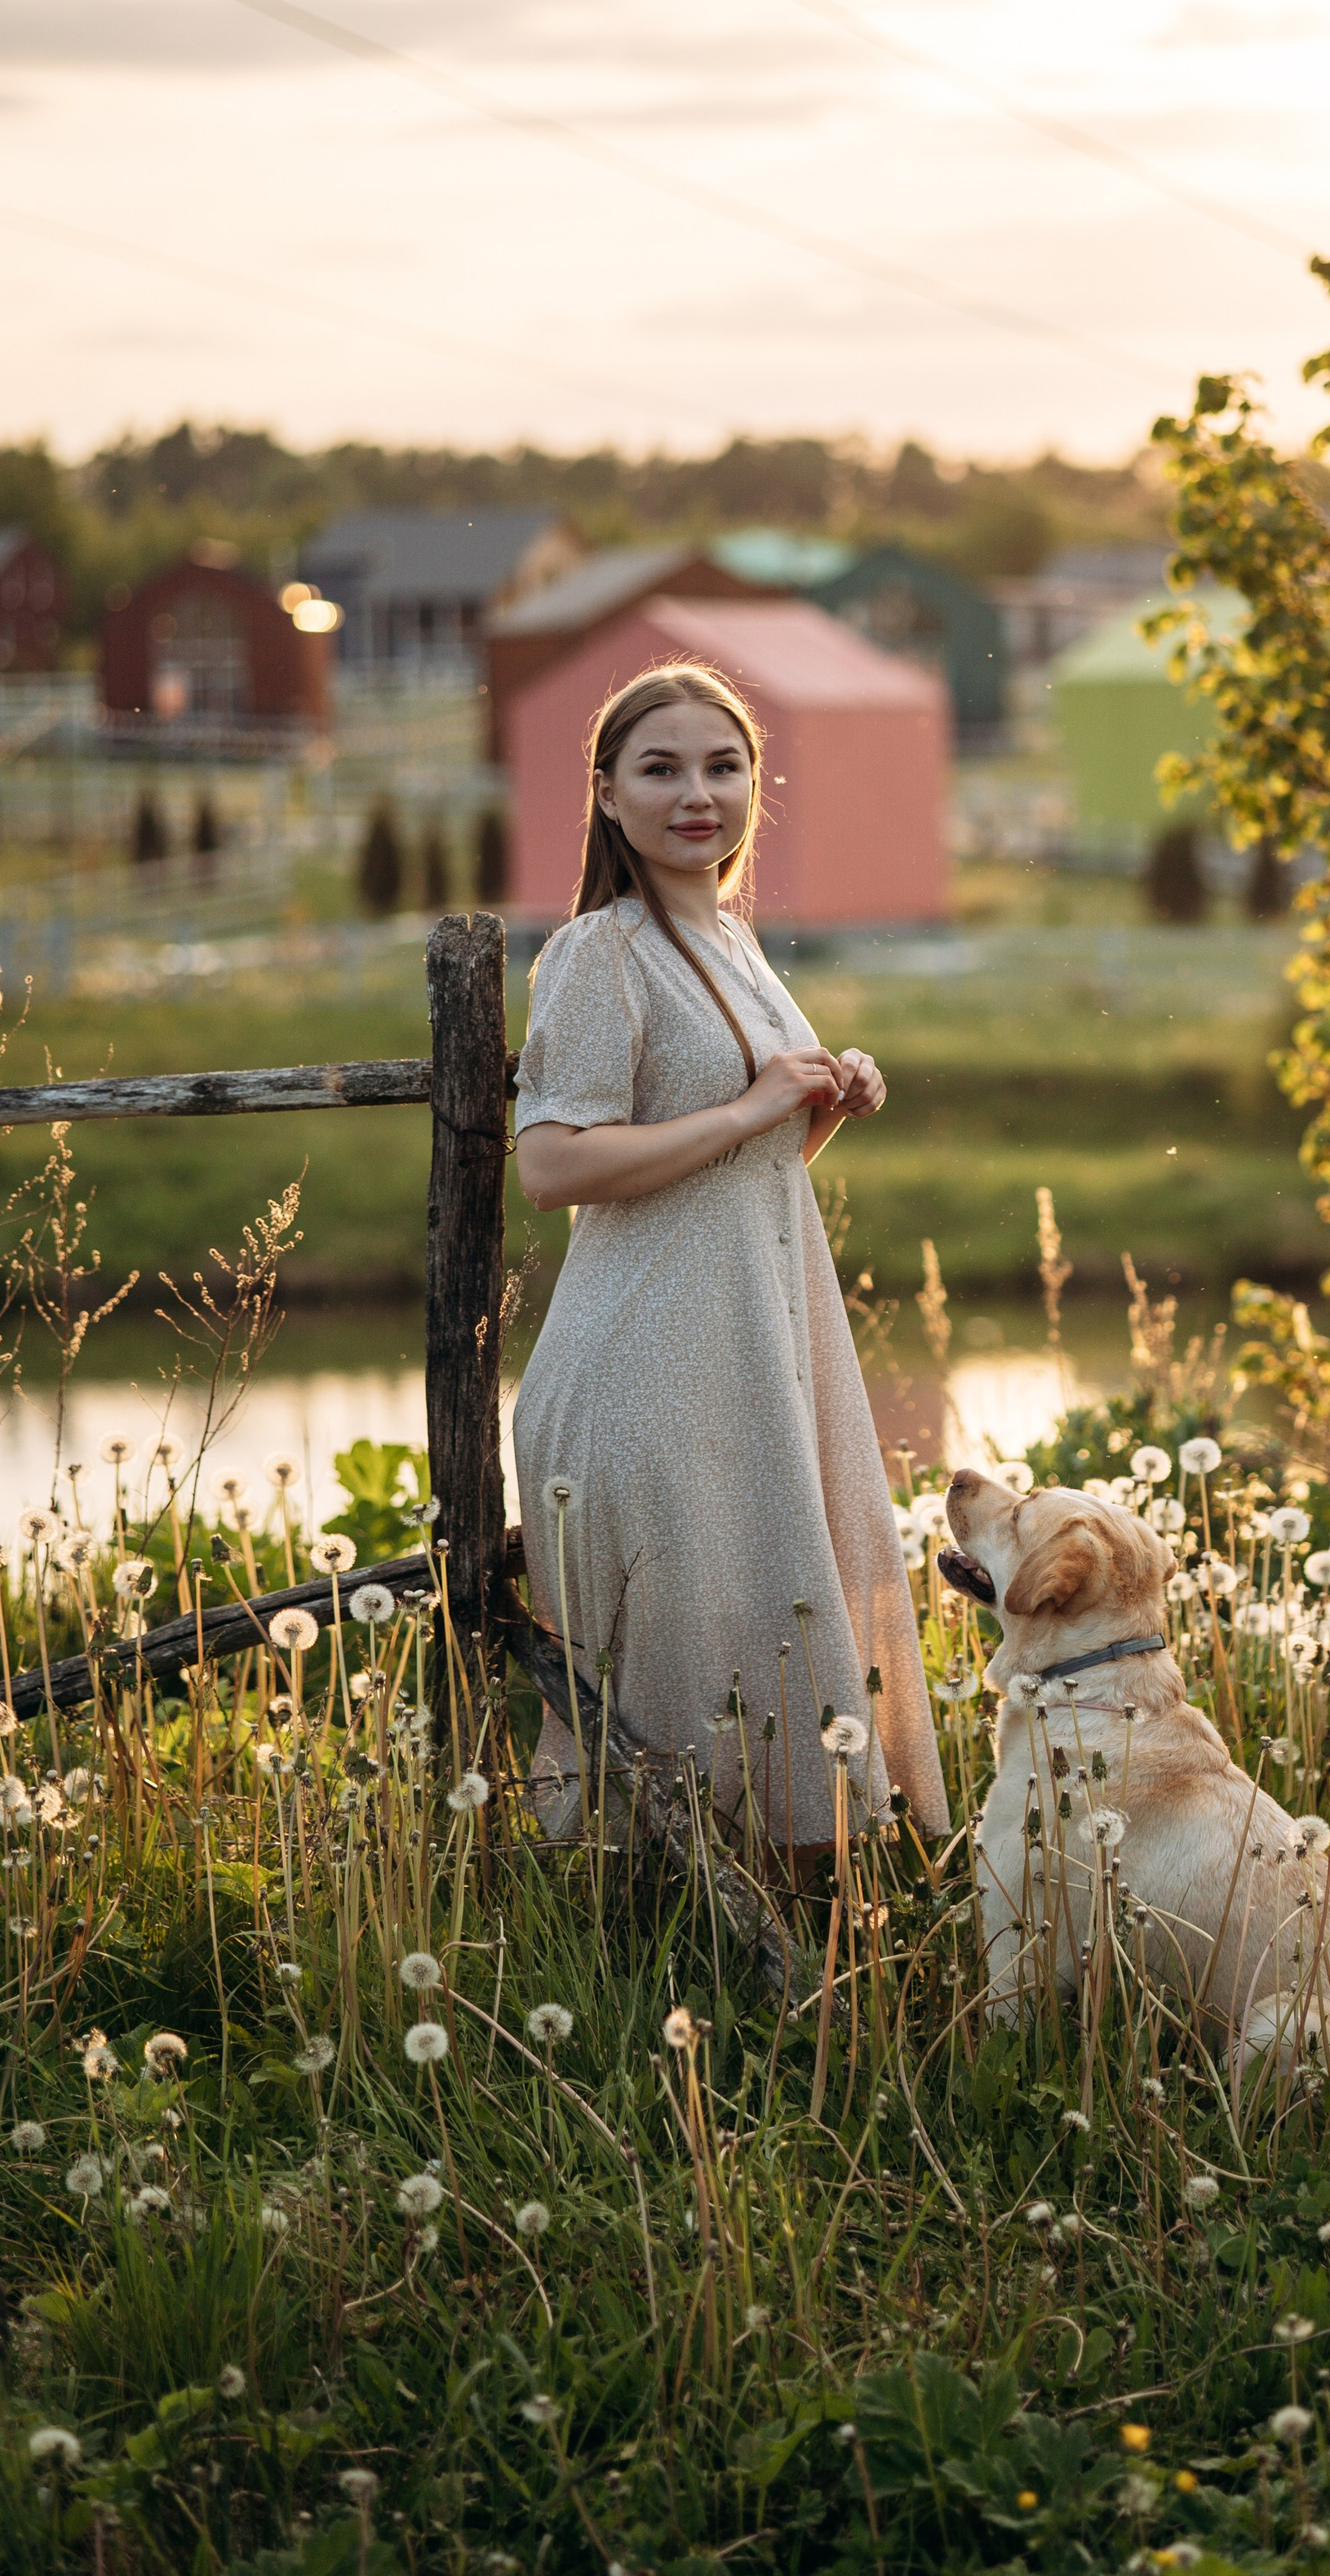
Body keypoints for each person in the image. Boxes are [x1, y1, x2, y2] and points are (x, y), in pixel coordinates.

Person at [511, 661, 949, 1857]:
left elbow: (727, 1175)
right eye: (660, 769)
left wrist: (817, 1111)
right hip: (644, 1371)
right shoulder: (599, 951)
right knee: (678, 1676)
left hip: (749, 1353)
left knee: (777, 1635)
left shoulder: (737, 942)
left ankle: (780, 1921)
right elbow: (551, 1165)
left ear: (757, 782)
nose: (696, 794)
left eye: (723, 766)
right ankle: (643, 1922)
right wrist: (754, 1105)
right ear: (607, 794)